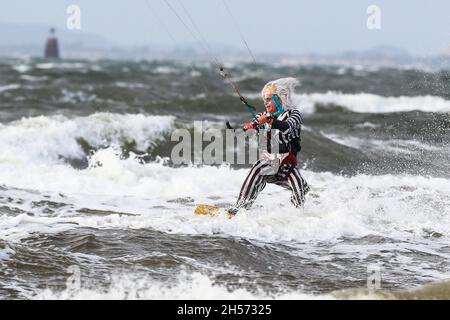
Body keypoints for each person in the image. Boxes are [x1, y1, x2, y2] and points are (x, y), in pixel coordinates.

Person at [228, 78, 309, 215]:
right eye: (264, 99)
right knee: (258, 168)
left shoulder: (294, 115)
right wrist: (242, 130)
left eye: (269, 99)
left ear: (279, 99)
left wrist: (268, 120)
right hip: (269, 164)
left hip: (287, 167)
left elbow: (286, 127)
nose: (265, 102)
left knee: (301, 193)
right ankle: (240, 208)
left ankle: (297, 217)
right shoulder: (262, 116)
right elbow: (248, 130)